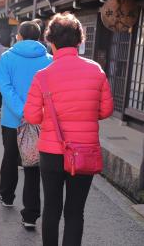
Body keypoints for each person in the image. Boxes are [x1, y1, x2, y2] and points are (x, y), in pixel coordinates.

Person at [24, 13, 113, 246]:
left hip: (52, 152)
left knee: (52, 208)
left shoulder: (43, 76)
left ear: (51, 42)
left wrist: (52, 118)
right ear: (79, 41)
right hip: (84, 151)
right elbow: (106, 110)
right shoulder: (96, 70)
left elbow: (32, 116)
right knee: (75, 212)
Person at [0, 21, 53, 229]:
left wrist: (22, 111)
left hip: (13, 120)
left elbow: (6, 87)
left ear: (18, 36)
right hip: (40, 120)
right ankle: (30, 215)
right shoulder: (50, 59)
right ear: (39, 38)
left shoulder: (7, 58)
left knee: (10, 157)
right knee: (33, 165)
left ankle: (7, 196)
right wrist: (34, 113)